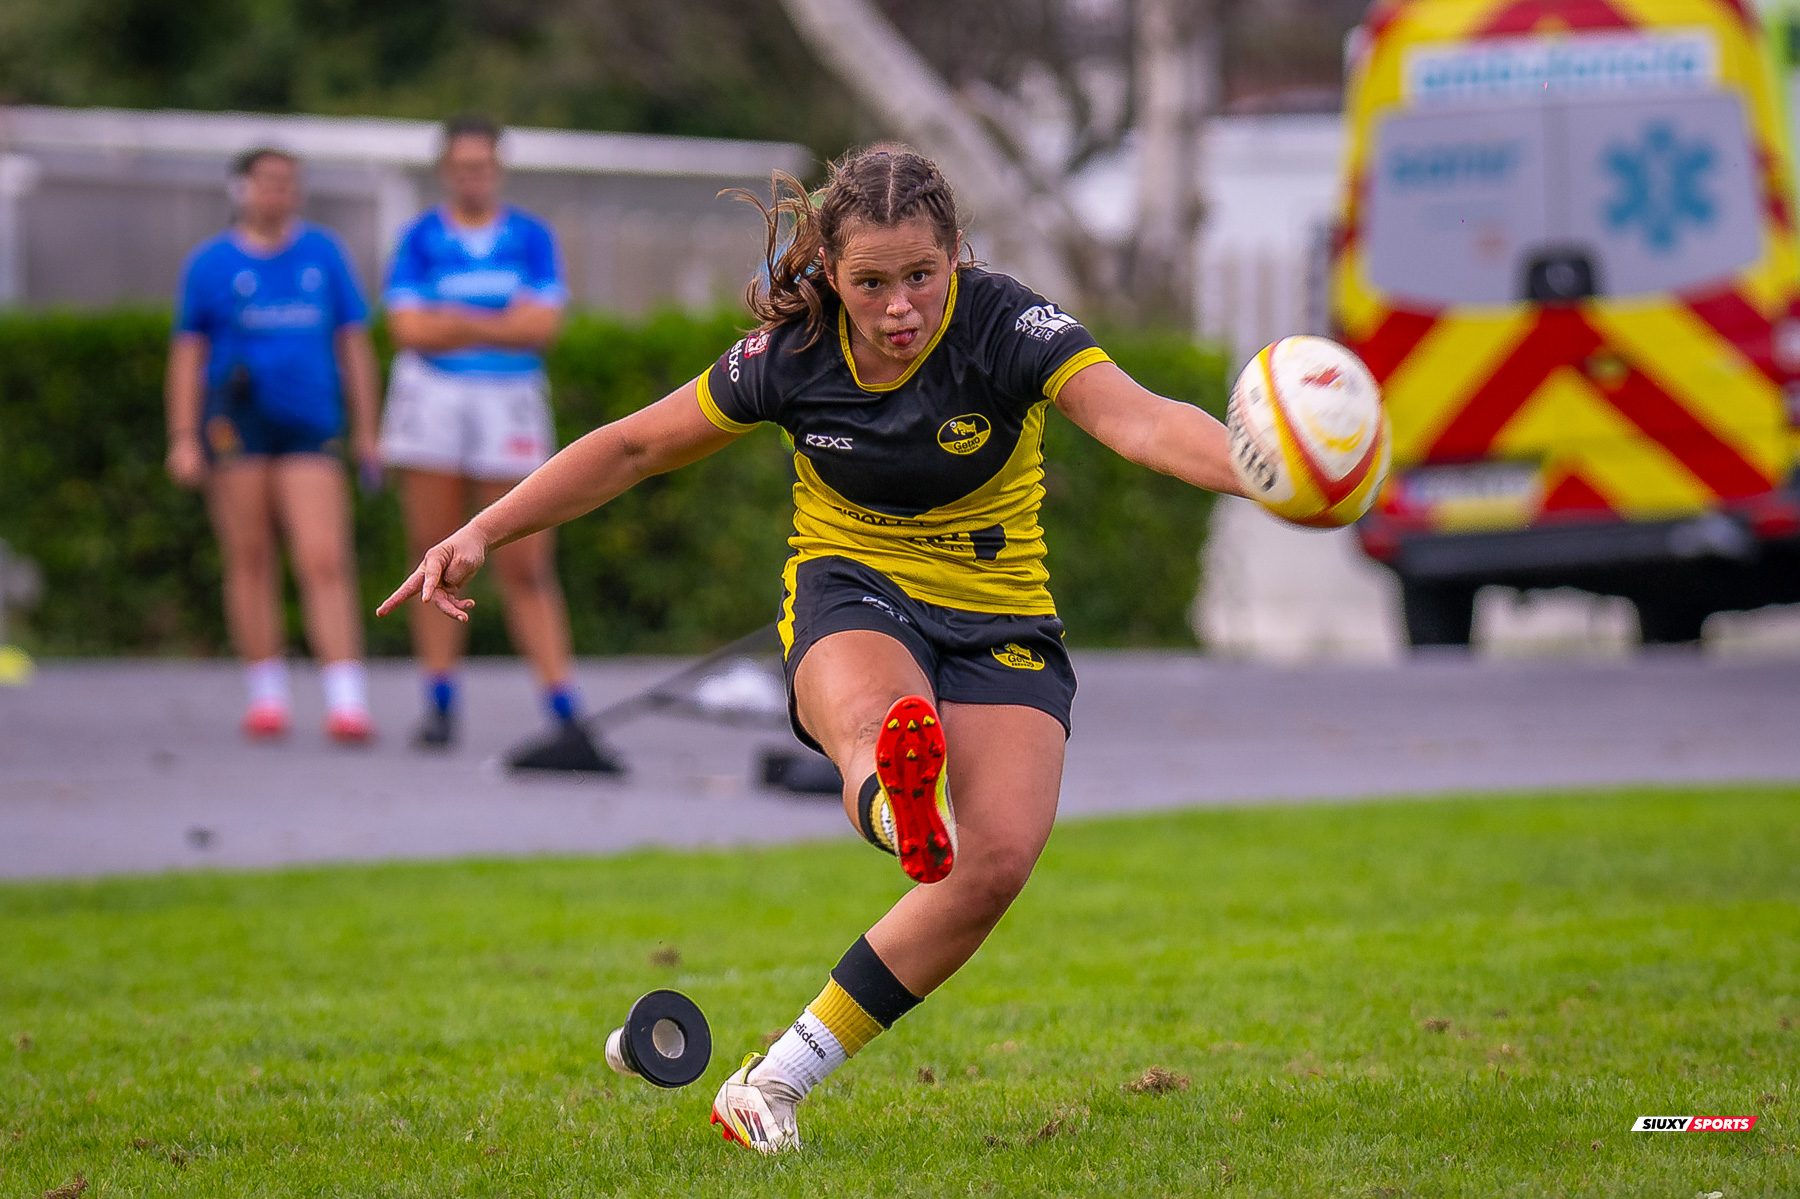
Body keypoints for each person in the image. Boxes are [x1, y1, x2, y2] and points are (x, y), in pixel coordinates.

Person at [378, 145, 1245, 1150]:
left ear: (956, 253)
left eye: (921, 274)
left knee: (996, 861)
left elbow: (1139, 421)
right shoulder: (791, 356)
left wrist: (1256, 469)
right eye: (870, 281)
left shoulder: (1010, 325)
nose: (898, 306)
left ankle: (773, 1079)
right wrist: (484, 529)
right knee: (882, 727)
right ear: (830, 270)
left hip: (1000, 614)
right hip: (853, 586)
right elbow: (632, 446)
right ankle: (896, 798)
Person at [379, 114, 611, 771]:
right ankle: (440, 700)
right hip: (432, 404)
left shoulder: (530, 237)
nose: (472, 178)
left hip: (509, 403)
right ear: (445, 170)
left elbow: (540, 325)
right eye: (462, 167)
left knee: (527, 563)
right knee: (432, 555)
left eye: (483, 167)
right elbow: (408, 330)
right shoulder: (419, 237)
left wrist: (452, 318)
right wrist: (495, 322)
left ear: (498, 170)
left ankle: (564, 705)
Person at [167, 147, 381, 742]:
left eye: (289, 182)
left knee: (322, 555)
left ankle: (346, 697)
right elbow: (188, 354)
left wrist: (368, 430)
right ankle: (266, 693)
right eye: (267, 182)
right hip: (237, 421)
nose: (279, 192)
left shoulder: (323, 254)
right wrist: (183, 435)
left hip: (311, 421)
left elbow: (353, 344)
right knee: (249, 553)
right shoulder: (209, 264)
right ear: (242, 188)